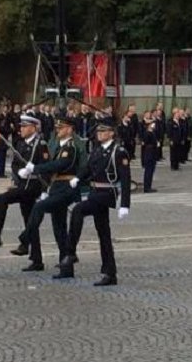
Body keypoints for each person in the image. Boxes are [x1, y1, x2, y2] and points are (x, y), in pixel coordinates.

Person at [55, 120, 131, 286]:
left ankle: (70, 252)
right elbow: (88, 169)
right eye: (99, 132)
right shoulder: (97, 150)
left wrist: (125, 204)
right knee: (104, 235)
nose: (100, 134)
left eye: (104, 132)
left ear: (112, 133)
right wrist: (77, 178)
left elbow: (126, 179)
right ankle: (110, 273)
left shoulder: (119, 152)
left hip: (106, 194)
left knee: (78, 210)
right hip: (94, 192)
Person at [10, 116, 81, 272]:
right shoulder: (60, 147)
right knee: (59, 228)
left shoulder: (71, 147)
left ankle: (25, 238)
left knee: (39, 207)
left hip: (65, 189)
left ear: (69, 129)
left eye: (61, 128)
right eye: (57, 128)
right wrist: (45, 189)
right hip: (56, 187)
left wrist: (35, 168)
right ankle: (66, 264)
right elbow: (53, 169)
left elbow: (60, 165)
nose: (58, 130)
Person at [0, 115, 50, 248]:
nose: (22, 129)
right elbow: (15, 164)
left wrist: (44, 190)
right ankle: (35, 257)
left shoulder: (40, 145)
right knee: (29, 220)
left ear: (33, 128)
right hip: (23, 184)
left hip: (34, 185)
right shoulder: (20, 143)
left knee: (3, 199)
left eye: (25, 127)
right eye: (21, 126)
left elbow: (47, 168)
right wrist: (19, 172)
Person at [142, 120, 158, 193]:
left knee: (151, 171)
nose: (153, 125)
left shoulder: (152, 132)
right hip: (149, 154)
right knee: (148, 171)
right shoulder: (147, 133)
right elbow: (146, 143)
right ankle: (146, 187)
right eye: (152, 124)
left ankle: (149, 186)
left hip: (153, 153)